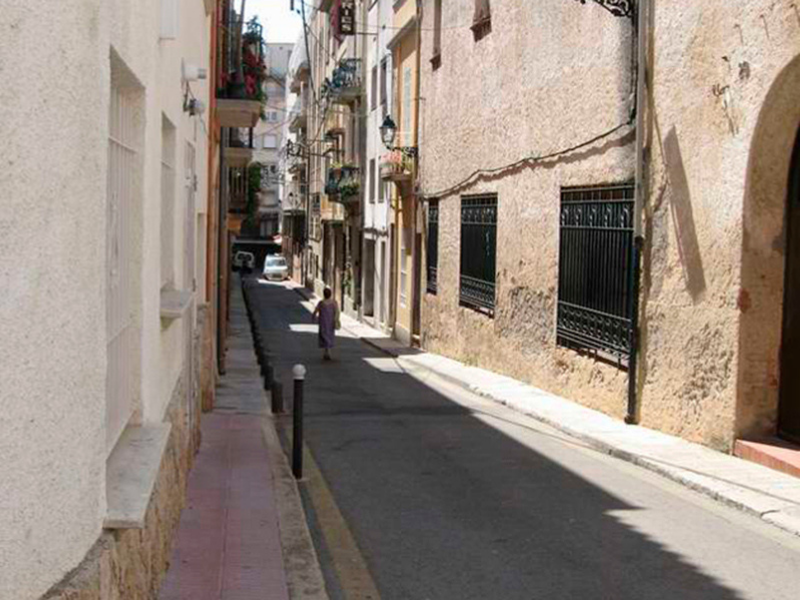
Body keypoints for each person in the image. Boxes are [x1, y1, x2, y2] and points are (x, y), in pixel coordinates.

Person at [312, 287, 340, 361]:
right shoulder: (334, 303)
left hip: (323, 322)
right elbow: (337, 312)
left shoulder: (321, 303)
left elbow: (315, 311)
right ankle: (328, 352)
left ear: (324, 294)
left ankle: (326, 352)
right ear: (330, 294)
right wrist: (336, 320)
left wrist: (313, 317)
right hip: (330, 322)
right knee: (329, 336)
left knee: (324, 336)